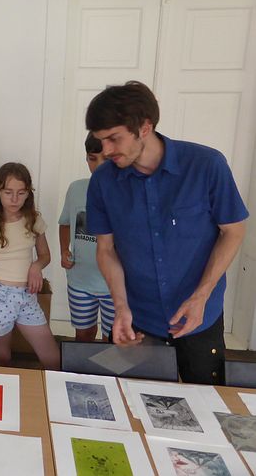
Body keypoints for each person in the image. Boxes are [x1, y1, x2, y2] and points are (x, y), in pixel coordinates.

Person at [85, 81, 248, 384]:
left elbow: (234, 231)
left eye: (114, 139)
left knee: (206, 401)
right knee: (132, 402)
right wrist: (120, 307)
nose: (105, 151)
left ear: (144, 128)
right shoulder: (103, 182)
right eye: (100, 140)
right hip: (138, 320)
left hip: (200, 316)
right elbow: (105, 249)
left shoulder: (206, 165)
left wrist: (201, 296)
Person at [0, 162, 60, 369]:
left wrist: (36, 266)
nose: (14, 199)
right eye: (8, 192)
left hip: (27, 296)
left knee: (52, 359)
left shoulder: (33, 220)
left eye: (21, 193)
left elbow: (45, 255)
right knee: (2, 358)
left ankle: (38, 388)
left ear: (28, 193)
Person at [58, 133, 113, 341]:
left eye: (106, 159)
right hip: (80, 281)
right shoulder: (76, 189)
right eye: (92, 158)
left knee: (112, 340)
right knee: (83, 336)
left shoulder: (128, 194)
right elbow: (65, 223)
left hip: (114, 286)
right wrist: (64, 250)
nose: (98, 166)